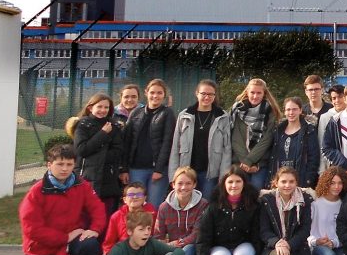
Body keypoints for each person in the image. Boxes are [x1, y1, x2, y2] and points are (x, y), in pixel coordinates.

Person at [19, 143, 105, 255]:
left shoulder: (82, 185)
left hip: (71, 236)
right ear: (49, 165)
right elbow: (32, 229)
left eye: (69, 164)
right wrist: (64, 238)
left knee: (90, 246)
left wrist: (95, 229)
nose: (65, 169)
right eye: (60, 164)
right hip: (40, 247)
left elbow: (97, 208)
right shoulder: (36, 192)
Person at [196, 167, 264, 255]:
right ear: (223, 184)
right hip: (220, 246)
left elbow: (258, 238)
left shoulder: (253, 206)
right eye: (230, 182)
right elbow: (202, 242)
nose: (234, 185)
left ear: (244, 183)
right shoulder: (213, 207)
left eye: (238, 181)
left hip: (243, 245)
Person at [169, 79, 232, 201]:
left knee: (206, 205)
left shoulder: (222, 116)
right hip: (187, 172)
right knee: (186, 204)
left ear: (215, 96)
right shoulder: (184, 115)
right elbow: (175, 146)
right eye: (203, 93)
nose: (207, 97)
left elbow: (227, 148)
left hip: (210, 173)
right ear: (197, 93)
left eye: (211, 94)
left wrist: (224, 176)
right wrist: (174, 175)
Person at [120, 79, 176, 209]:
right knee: (135, 206)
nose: (155, 96)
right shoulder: (136, 112)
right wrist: (124, 169)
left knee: (153, 206)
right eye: (152, 92)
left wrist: (159, 169)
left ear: (164, 95)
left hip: (157, 171)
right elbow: (127, 142)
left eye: (159, 93)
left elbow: (168, 142)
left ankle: (151, 230)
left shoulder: (167, 113)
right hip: (136, 168)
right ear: (146, 93)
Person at [260, 167, 315, 255]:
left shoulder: (305, 200)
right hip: (275, 248)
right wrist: (278, 243)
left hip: (298, 247)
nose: (287, 185)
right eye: (283, 181)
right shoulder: (267, 200)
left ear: (296, 183)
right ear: (276, 182)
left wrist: (288, 244)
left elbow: (305, 230)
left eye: (291, 181)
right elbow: (264, 230)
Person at [69, 92, 125, 216]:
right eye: (99, 107)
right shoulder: (83, 125)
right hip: (86, 177)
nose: (103, 110)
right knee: (86, 216)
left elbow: (117, 151)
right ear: (90, 108)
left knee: (107, 216)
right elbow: (81, 150)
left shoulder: (114, 126)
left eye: (106, 107)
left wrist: (96, 155)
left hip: (108, 179)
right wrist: (103, 134)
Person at [153, 165, 207, 255]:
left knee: (188, 252)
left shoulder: (203, 204)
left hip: (192, 248)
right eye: (180, 183)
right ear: (173, 185)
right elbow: (157, 237)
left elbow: (197, 234)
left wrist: (177, 243)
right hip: (172, 252)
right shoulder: (164, 207)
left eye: (188, 183)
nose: (183, 187)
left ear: (194, 184)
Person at [230, 78, 280, 191]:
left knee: (255, 192)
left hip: (260, 164)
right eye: (252, 92)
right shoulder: (238, 110)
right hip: (240, 162)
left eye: (259, 93)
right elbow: (235, 139)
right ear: (247, 92)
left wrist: (251, 162)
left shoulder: (270, 112)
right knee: (239, 193)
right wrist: (245, 162)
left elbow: (267, 140)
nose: (255, 96)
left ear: (264, 94)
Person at [309, 166, 347, 255]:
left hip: (337, 245)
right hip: (318, 246)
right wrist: (316, 241)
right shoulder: (315, 204)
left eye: (340, 183)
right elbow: (306, 231)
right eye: (332, 183)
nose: (337, 187)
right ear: (326, 183)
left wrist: (334, 243)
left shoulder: (345, 204)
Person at [267, 96, 320, 189]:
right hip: (280, 182)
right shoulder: (278, 131)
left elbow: (314, 158)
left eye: (294, 109)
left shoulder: (309, 131)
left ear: (300, 110)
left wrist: (308, 180)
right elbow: (272, 157)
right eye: (288, 109)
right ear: (284, 112)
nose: (291, 113)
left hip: (300, 181)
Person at [102, 181, 158, 255]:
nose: (135, 197)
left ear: (145, 198)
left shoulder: (152, 214)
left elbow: (156, 236)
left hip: (145, 252)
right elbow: (109, 243)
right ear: (124, 199)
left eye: (139, 194)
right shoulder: (116, 216)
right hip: (123, 253)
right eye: (131, 195)